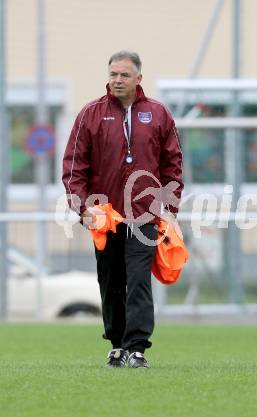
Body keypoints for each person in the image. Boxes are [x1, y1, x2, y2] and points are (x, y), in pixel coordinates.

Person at [62, 51, 183, 368]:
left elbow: (173, 165)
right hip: (104, 215)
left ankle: (138, 347)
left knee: (139, 279)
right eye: (113, 74)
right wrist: (82, 207)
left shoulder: (157, 114)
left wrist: (169, 207)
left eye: (124, 75)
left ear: (138, 79)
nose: (117, 80)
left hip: (145, 214)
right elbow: (75, 168)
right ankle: (117, 343)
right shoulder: (90, 114)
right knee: (111, 280)